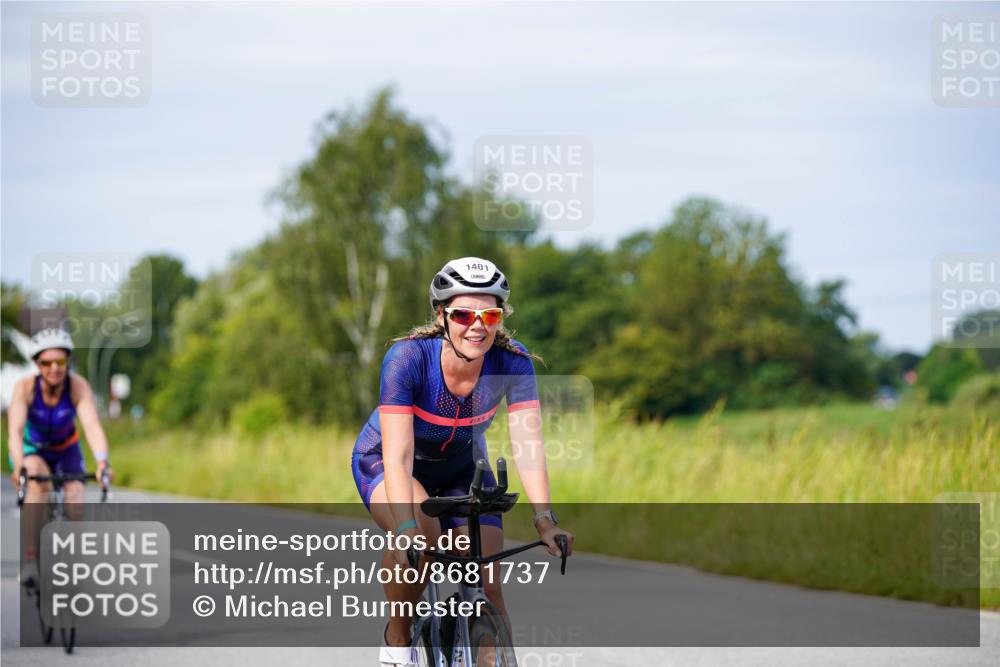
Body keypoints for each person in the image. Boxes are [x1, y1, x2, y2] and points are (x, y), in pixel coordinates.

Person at [352, 257, 574, 666]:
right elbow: (398, 456)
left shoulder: (512, 361)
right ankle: (397, 639)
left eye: (490, 314)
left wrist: (545, 518)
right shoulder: (408, 359)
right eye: (463, 314)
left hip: (461, 468)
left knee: (488, 584)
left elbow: (528, 442)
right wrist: (404, 529)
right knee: (423, 537)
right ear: (442, 315)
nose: (478, 325)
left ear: (500, 316)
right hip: (388, 462)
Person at [7, 328, 114, 587]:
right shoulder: (25, 389)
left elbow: (92, 427)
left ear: (68, 362)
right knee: (37, 484)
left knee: (76, 498)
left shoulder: (77, 387)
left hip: (67, 449)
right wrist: (19, 465)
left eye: (61, 362)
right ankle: (31, 561)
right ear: (37, 364)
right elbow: (15, 432)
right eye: (47, 362)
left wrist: (102, 462)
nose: (54, 368)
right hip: (34, 450)